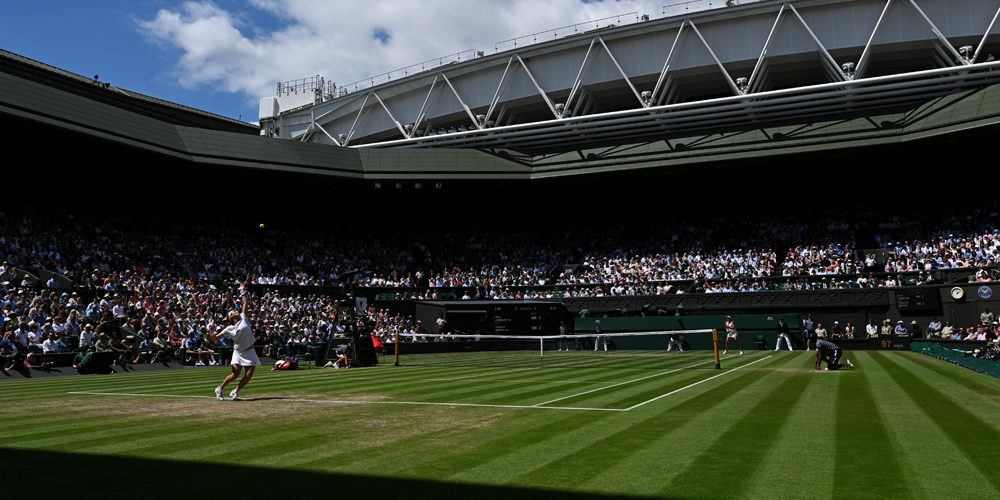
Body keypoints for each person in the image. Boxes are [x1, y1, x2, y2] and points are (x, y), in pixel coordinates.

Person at [207, 284, 258, 401]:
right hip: (238, 352)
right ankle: (220, 389)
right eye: (234, 311)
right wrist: (210, 333)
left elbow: (245, 303)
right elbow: (214, 339)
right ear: (231, 317)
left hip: (250, 351)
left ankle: (235, 391)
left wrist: (242, 292)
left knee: (249, 375)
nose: (236, 311)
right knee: (235, 375)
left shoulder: (244, 317)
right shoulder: (228, 329)